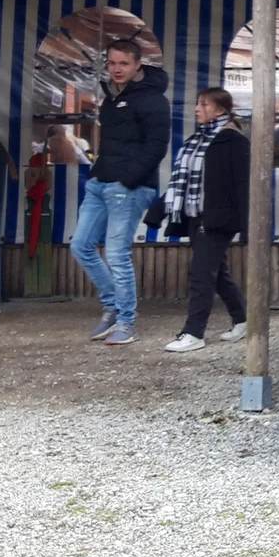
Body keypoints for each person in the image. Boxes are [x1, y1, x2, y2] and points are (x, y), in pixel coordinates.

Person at [76, 40, 169, 347]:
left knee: (116, 253)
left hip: (130, 186)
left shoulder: (153, 99)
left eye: (123, 64)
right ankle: (113, 305)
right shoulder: (111, 98)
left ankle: (126, 322)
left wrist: (127, 180)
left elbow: (157, 146)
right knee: (80, 245)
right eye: (112, 63)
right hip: (101, 182)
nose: (116, 69)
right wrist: (97, 174)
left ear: (137, 65)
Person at [161, 88, 251, 353]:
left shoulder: (233, 140)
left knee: (201, 273)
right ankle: (243, 319)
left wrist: (246, 224)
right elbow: (186, 179)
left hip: (218, 218)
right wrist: (160, 209)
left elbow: (243, 184)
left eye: (203, 104)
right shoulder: (197, 140)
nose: (197, 109)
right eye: (197, 103)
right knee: (216, 271)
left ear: (220, 110)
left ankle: (193, 332)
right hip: (195, 213)